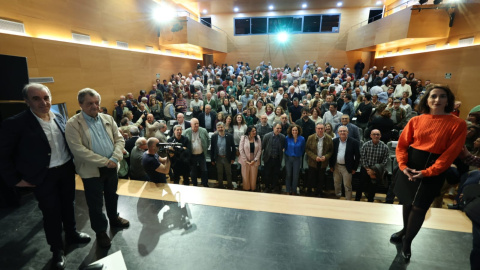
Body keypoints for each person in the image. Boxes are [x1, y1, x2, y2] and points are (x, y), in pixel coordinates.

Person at [0, 83, 90, 269]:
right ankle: (56, 249)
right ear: (26, 101)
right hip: (43, 177)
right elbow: (4, 156)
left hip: (65, 170)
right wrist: (15, 180)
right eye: (36, 98)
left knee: (69, 205)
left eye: (46, 97)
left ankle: (72, 233)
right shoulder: (15, 123)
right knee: (51, 213)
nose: (43, 102)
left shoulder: (59, 117)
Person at [390, 84, 467, 261]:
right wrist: (403, 166)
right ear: (427, 99)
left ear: (448, 100)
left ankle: (408, 242)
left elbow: (450, 154)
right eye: (433, 96)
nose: (437, 100)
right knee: (407, 203)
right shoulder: (416, 120)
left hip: (434, 168)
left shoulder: (458, 124)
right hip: (410, 165)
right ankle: (404, 230)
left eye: (442, 96)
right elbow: (402, 145)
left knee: (419, 208)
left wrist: (428, 172)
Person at [65, 88, 128, 249]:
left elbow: (119, 139)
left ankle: (114, 218)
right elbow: (78, 150)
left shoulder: (107, 118)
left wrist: (114, 158)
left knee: (112, 196)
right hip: (91, 171)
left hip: (112, 166)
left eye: (96, 103)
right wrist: (105, 161)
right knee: (95, 204)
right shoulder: (73, 124)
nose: (94, 106)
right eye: (89, 103)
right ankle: (100, 232)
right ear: (80, 104)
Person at [356, 129, 389, 202]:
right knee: (361, 184)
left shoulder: (385, 147)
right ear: (370, 136)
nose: (376, 136)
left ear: (380, 136)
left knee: (373, 186)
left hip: (376, 170)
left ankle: (370, 200)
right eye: (374, 134)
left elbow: (385, 161)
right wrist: (368, 170)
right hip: (365, 168)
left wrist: (374, 171)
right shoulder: (366, 145)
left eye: (377, 134)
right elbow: (362, 158)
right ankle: (357, 199)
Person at [329, 126, 360, 200]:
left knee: (347, 185)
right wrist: (331, 165)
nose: (342, 132)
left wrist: (354, 168)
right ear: (338, 133)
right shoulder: (334, 141)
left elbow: (358, 156)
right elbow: (332, 154)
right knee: (336, 183)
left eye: (344, 131)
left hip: (347, 167)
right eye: (341, 131)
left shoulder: (354, 142)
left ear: (347, 132)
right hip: (336, 166)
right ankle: (338, 196)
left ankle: (348, 199)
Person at [305, 123, 333, 197]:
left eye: (321, 128)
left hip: (323, 162)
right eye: (318, 128)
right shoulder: (310, 137)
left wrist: (326, 157)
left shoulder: (329, 138)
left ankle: (319, 192)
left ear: (324, 129)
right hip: (313, 161)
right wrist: (314, 157)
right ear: (315, 129)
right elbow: (307, 150)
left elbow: (331, 151)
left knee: (321, 178)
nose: (320, 130)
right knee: (311, 177)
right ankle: (309, 192)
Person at [183, 118, 209, 187]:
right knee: (193, 172)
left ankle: (205, 184)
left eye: (198, 123)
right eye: (195, 124)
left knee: (204, 170)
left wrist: (206, 147)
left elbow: (208, 140)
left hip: (201, 155)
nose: (197, 125)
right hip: (192, 155)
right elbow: (183, 142)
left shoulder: (203, 130)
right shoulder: (186, 132)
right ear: (191, 124)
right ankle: (195, 185)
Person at [210, 122, 236, 189]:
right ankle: (220, 185)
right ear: (216, 128)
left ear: (224, 128)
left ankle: (229, 185)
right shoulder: (214, 137)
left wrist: (233, 158)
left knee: (228, 173)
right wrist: (212, 159)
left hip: (227, 157)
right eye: (218, 127)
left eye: (221, 127)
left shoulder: (229, 136)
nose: (220, 129)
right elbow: (212, 149)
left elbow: (233, 148)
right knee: (219, 172)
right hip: (218, 157)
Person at [262, 123, 286, 193]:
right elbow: (263, 146)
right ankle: (267, 187)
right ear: (273, 128)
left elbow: (283, 147)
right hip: (268, 158)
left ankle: (273, 187)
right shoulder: (267, 136)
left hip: (277, 159)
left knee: (275, 174)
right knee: (267, 174)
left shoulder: (282, 137)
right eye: (277, 128)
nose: (279, 130)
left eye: (280, 129)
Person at [238, 126, 262, 191]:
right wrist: (246, 160)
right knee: (245, 177)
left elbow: (260, 150)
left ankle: (252, 190)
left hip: (255, 160)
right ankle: (246, 190)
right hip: (244, 160)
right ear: (249, 132)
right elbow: (241, 150)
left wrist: (255, 160)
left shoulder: (258, 138)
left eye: (255, 131)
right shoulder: (243, 138)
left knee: (253, 177)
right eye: (253, 131)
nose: (255, 132)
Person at [284, 125, 306, 195]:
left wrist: (298, 154)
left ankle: (294, 190)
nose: (294, 131)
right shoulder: (287, 138)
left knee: (295, 175)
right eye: (293, 130)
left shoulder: (302, 139)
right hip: (288, 158)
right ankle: (287, 189)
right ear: (291, 131)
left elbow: (303, 149)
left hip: (297, 159)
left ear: (298, 131)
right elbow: (285, 147)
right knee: (288, 174)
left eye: (296, 130)